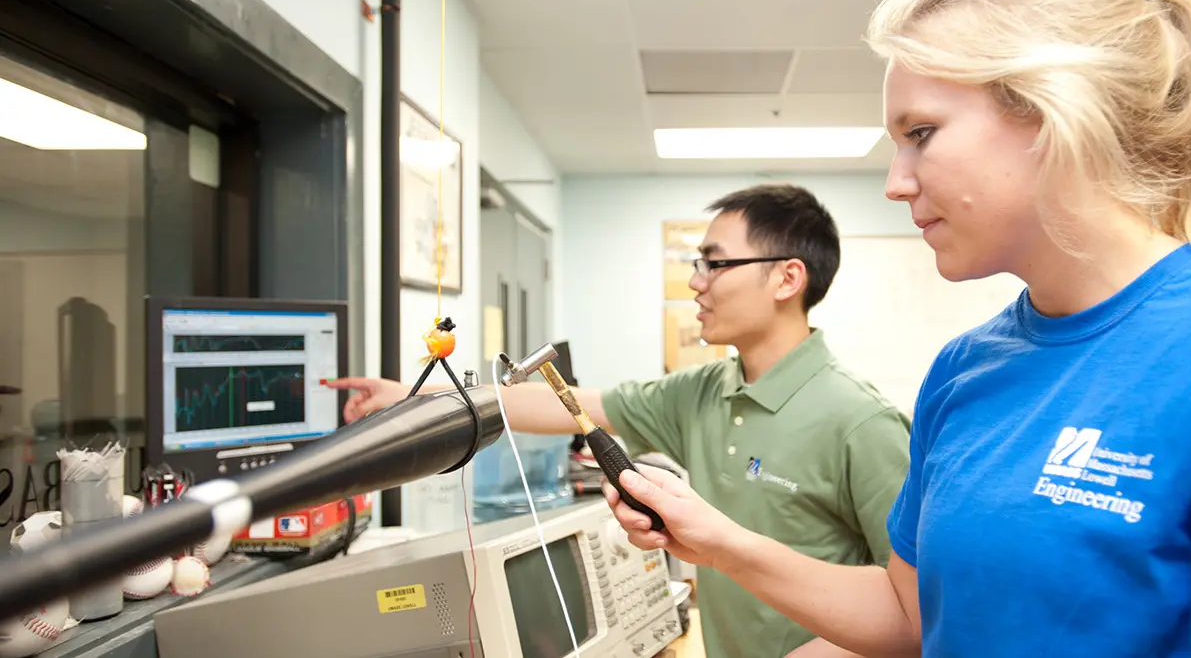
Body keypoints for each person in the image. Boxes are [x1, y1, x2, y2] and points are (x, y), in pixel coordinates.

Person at [600, 0, 1191, 658]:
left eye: (921, 134)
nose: (895, 182)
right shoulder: (967, 369)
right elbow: (912, 616)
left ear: (1054, 113)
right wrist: (718, 541)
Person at [327, 183, 912, 658]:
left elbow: (920, 609)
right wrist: (411, 397)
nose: (696, 281)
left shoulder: (862, 422)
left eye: (714, 263)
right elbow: (570, 405)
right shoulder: (704, 390)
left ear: (787, 278)